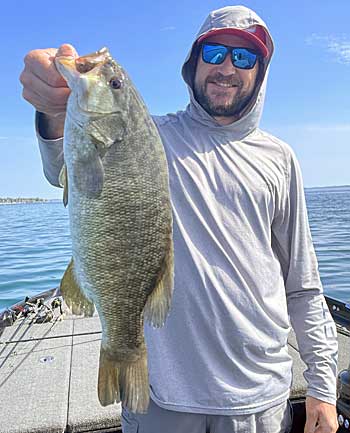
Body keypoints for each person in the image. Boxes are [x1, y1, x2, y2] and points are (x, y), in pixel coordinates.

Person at [20, 5, 339, 433]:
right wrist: (53, 109)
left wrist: (322, 386)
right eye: (215, 52)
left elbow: (302, 283)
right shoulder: (148, 137)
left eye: (244, 57)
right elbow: (70, 165)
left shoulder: (280, 159)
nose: (227, 67)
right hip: (162, 397)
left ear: (260, 73)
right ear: (193, 63)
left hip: (260, 398)